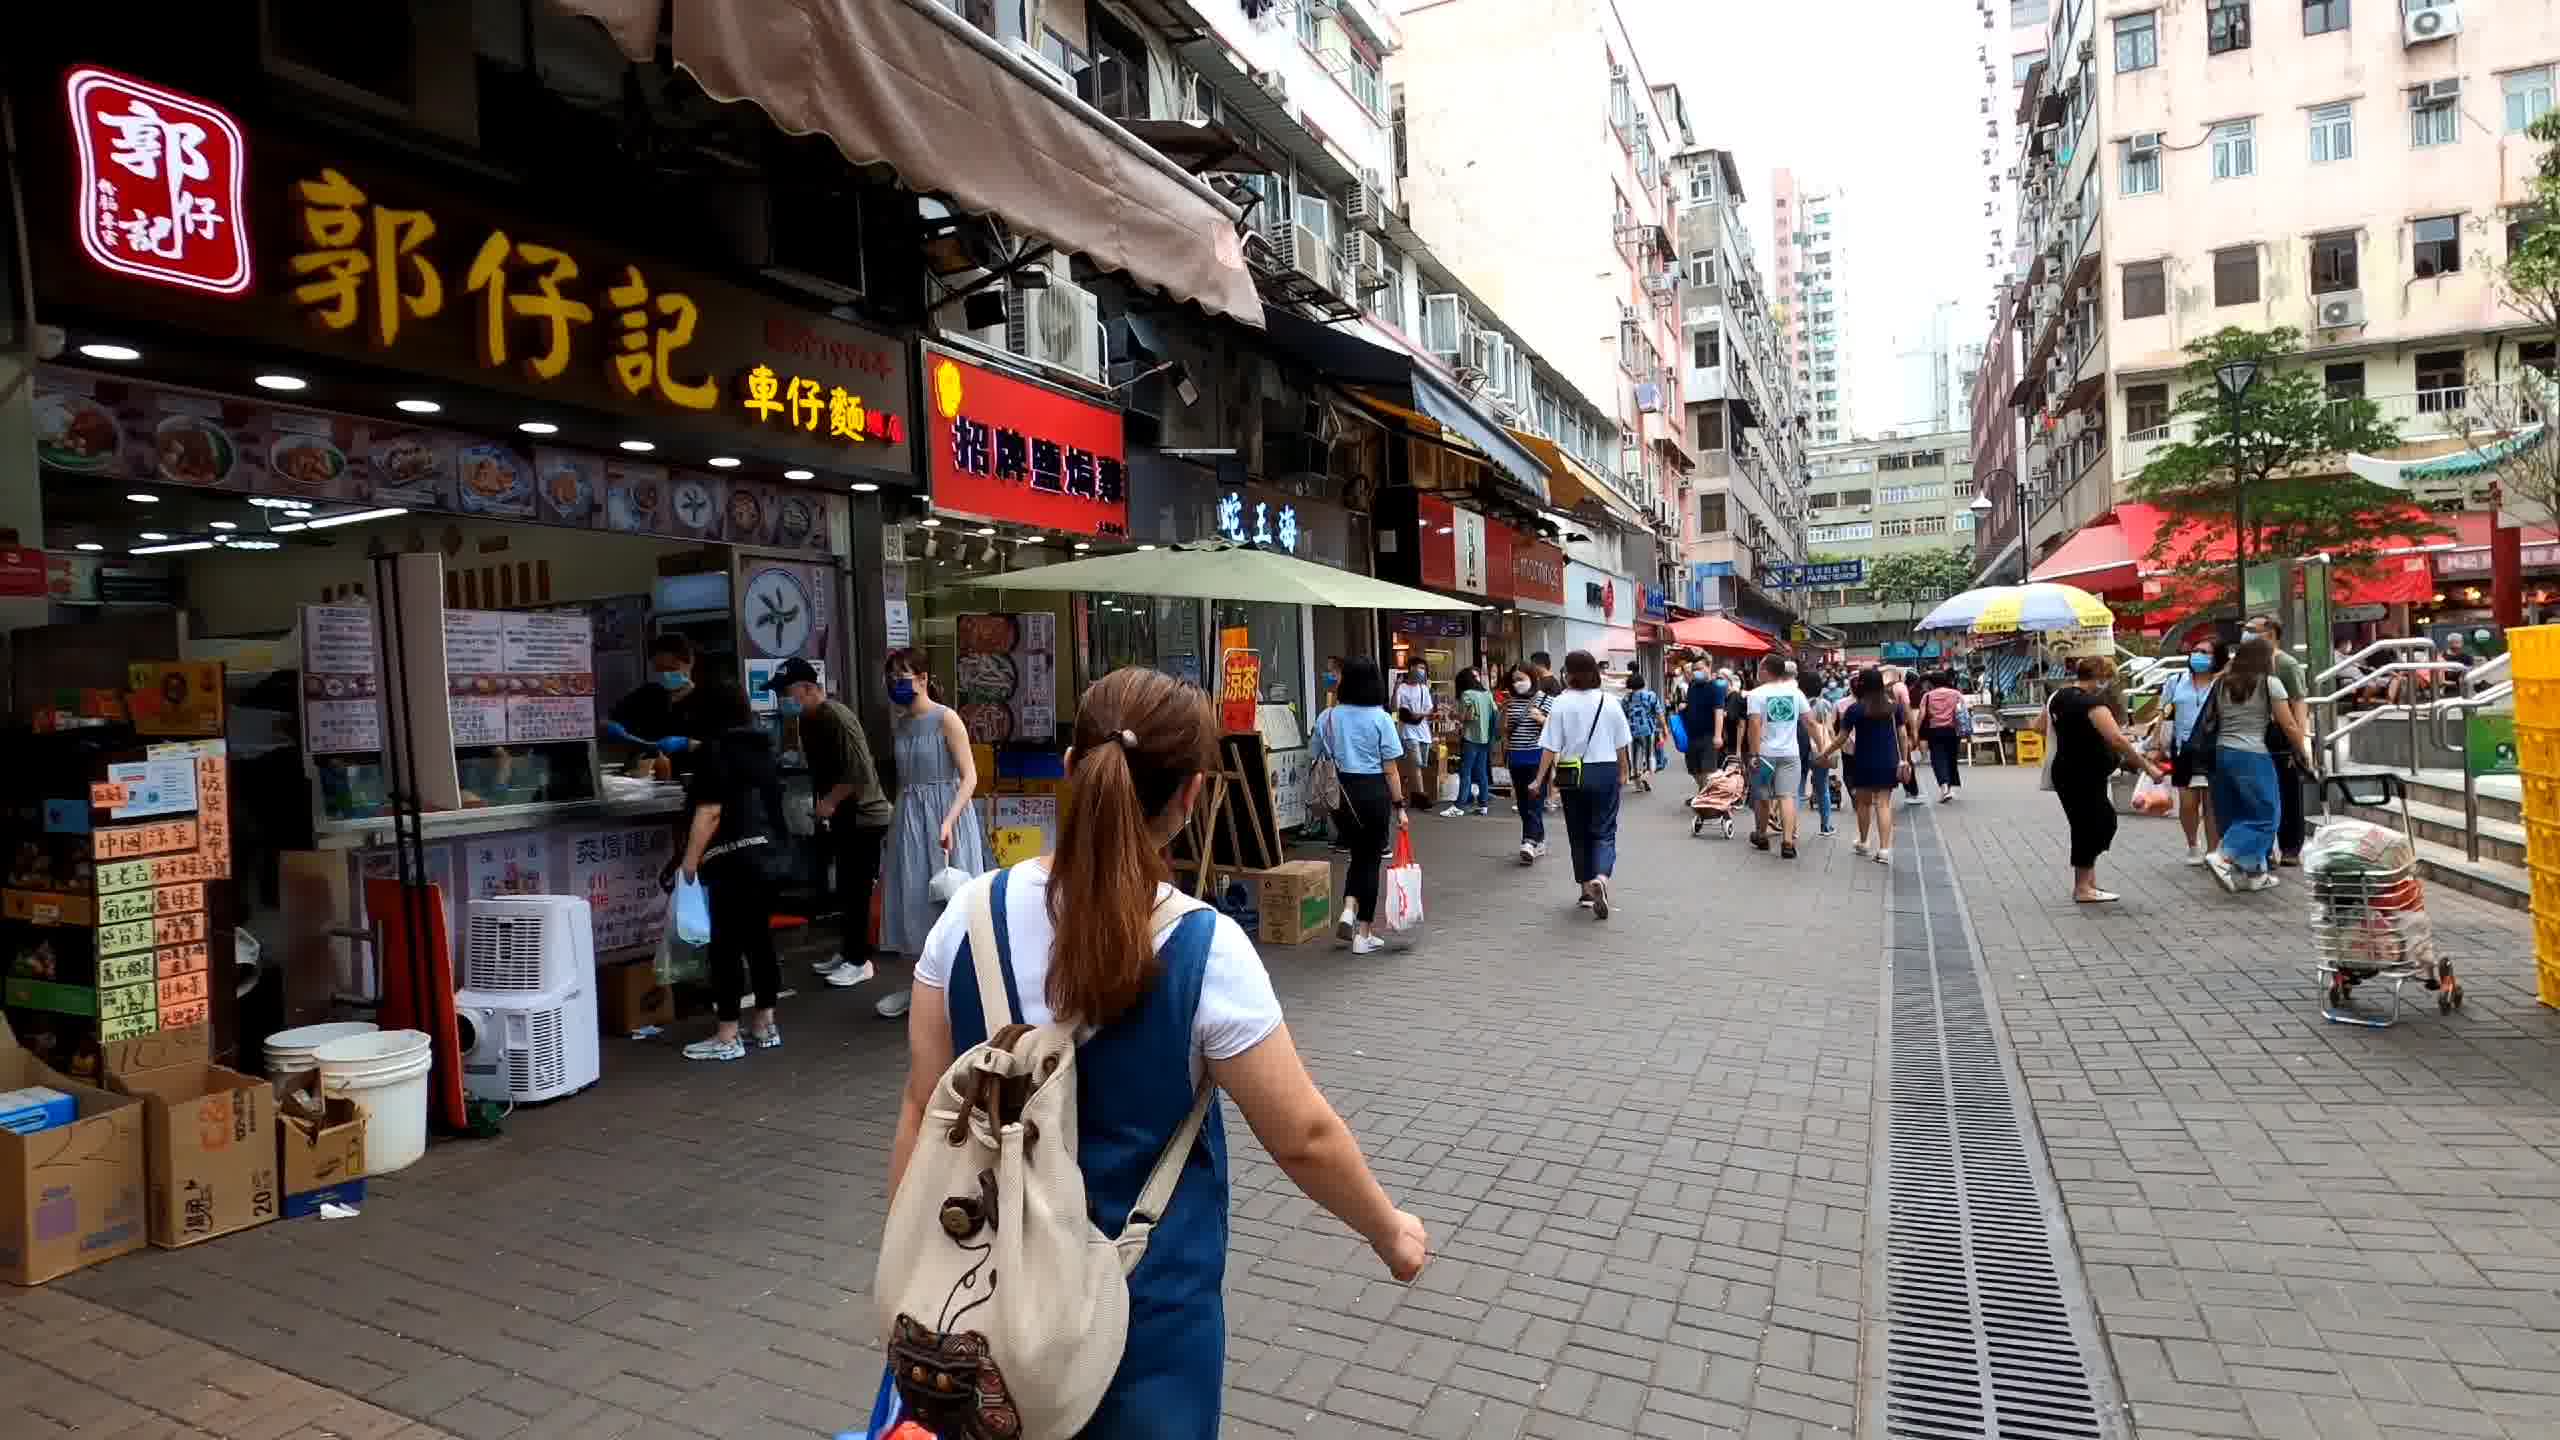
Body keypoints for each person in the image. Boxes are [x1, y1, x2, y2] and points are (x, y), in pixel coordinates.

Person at [892, 668, 1428, 1437]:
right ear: (1193, 795)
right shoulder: (1206, 948)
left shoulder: (967, 918)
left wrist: (917, 1263)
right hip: (1143, 1314)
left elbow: (923, 1105)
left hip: (980, 1306)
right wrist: (1388, 1229)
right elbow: (1302, 1136)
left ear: (1072, 770)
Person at [875, 649, 990, 1020]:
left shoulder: (947, 718)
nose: (896, 684)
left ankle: (961, 988)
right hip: (909, 817)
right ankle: (921, 987)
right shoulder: (901, 723)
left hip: (947, 816)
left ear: (923, 678)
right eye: (891, 678)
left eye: (903, 676)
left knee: (950, 900)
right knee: (912, 899)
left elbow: (970, 776)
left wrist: (949, 820)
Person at [677, 686, 790, 1060]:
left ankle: (727, 1035)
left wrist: (689, 861)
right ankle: (764, 1023)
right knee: (760, 941)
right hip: (766, 859)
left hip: (731, 862)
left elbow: (710, 811)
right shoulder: (762, 748)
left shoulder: (716, 751)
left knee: (725, 948)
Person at [766, 659, 893, 990]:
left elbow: (857, 773)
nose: (783, 699)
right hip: (841, 815)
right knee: (846, 888)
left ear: (808, 688)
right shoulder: (807, 720)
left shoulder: (834, 716)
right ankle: (848, 951)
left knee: (856, 888)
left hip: (864, 815)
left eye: (787, 692)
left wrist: (830, 803)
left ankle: (859, 960)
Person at [2041, 656, 2165, 903]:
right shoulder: (2093, 704)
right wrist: (2147, 767)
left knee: (2085, 824)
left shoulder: (2058, 697)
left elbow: (2037, 726)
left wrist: (2071, 732)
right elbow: (2117, 739)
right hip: (2085, 772)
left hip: (2066, 770)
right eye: (2108, 678)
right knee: (2099, 824)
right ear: (2101, 678)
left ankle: (2088, 883)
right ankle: (2083, 888)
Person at [2207, 636, 2318, 894]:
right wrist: (2302, 751)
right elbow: (2289, 724)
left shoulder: (2221, 682)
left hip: (2221, 753)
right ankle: (2224, 855)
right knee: (2267, 815)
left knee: (2240, 812)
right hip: (2252, 754)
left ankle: (2254, 873)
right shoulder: (2270, 683)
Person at [1313, 658, 1408, 952]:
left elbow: (1315, 755)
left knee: (1358, 854)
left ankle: (1348, 909)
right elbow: (1390, 768)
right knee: (1370, 859)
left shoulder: (1327, 717)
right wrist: (1400, 806)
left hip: (1339, 794)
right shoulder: (1380, 718)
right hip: (1372, 791)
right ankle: (1363, 933)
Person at [1531, 651, 1633, 918]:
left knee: (1578, 833)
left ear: (1570, 674)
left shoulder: (1561, 703)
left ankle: (1587, 889)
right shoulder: (1609, 702)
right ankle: (1601, 877)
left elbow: (1550, 746)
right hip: (1604, 771)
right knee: (1604, 830)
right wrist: (1624, 770)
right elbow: (1622, 742)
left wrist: (1539, 779)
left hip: (1571, 775)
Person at [1820, 667, 1910, 864]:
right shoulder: (1894, 708)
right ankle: (1885, 850)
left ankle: (1863, 842)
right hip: (1889, 760)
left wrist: (1825, 753)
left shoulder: (1855, 709)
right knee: (1884, 804)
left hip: (1862, 760)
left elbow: (1842, 738)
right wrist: (1903, 758)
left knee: (1864, 803)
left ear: (1862, 685)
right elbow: (1903, 736)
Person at [2244, 615, 2312, 866]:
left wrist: (2299, 740)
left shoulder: (2286, 664)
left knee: (2287, 791)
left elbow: (2298, 702)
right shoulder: (2247, 662)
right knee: (2260, 793)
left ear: (2270, 633)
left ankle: (2290, 847)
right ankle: (2264, 848)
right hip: (2252, 734)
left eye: (2252, 630)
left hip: (2280, 733)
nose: (2247, 634)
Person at [2153, 639, 2228, 866]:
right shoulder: (2175, 681)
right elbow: (2164, 714)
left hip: (2214, 748)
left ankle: (2213, 850)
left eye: (2205, 652)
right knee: (2187, 803)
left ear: (2217, 657)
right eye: (2195, 650)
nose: (2198, 655)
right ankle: (2193, 845)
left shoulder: (2223, 683)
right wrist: (2157, 744)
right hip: (2183, 748)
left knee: (2212, 804)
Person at [604, 634, 725, 773]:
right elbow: (610, 723)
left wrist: (689, 744)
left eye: (671, 668)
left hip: (697, 777)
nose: (666, 674)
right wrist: (613, 728)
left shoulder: (712, 699)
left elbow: (725, 747)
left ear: (690, 662)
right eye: (660, 669)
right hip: (651, 779)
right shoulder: (645, 696)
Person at [1744, 653, 1809, 859]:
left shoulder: (1756, 694)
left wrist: (1753, 753)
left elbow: (1754, 725)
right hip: (1791, 753)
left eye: (1760, 667)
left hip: (1764, 754)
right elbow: (1811, 722)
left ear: (1765, 670)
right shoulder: (1796, 693)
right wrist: (1823, 745)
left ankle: (1762, 836)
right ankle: (1788, 843)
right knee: (1787, 797)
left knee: (1762, 796)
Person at [1498, 665, 1553, 862]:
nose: (1517, 684)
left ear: (1532, 677)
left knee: (1534, 801)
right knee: (1522, 804)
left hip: (1537, 758)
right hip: (1516, 758)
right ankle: (1538, 840)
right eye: (1513, 680)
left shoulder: (1545, 700)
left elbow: (1556, 729)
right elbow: (1503, 732)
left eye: (1520, 678)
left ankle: (1528, 841)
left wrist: (1541, 719)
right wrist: (1503, 712)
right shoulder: (1511, 703)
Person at [1443, 667, 1497, 817]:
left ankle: (1459, 805)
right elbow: (1494, 712)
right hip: (1485, 739)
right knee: (1481, 772)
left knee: (1465, 772)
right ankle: (1483, 804)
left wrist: (1453, 715)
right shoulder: (1487, 694)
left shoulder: (1466, 694)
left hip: (1471, 737)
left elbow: (1464, 716)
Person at [1797, 668, 1838, 837]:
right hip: (1819, 749)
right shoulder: (1824, 704)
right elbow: (1829, 728)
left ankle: (1793, 827)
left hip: (1800, 747)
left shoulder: (1797, 702)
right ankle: (1825, 826)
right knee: (1822, 788)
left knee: (1797, 790)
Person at [1391, 659, 1435, 812]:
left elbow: (1430, 708)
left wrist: (1420, 714)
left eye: (1424, 668)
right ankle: (1421, 797)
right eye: (1419, 667)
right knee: (1416, 763)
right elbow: (1395, 708)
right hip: (1408, 731)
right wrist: (1396, 688)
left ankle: (1407, 793)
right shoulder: (1402, 688)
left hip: (1423, 731)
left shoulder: (1423, 688)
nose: (1422, 670)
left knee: (1418, 765)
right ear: (1411, 668)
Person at [1918, 668, 1966, 803]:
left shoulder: (1927, 696)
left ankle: (1944, 787)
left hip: (1935, 731)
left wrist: (1915, 732)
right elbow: (1963, 712)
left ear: (1932, 683)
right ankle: (1949, 789)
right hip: (1953, 731)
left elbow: (1921, 716)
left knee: (1938, 759)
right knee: (1951, 759)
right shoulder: (1956, 694)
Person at [1622, 670, 1664, 794]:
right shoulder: (1651, 696)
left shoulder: (1626, 698)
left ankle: (1638, 782)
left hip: (1631, 731)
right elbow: (1659, 712)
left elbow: (1623, 715)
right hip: (1648, 730)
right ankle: (1645, 775)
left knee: (1634, 756)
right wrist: (1664, 728)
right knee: (1649, 755)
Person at [1683, 664, 1724, 783]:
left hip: (1708, 735)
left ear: (1708, 667)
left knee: (1708, 771)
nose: (1697, 672)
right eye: (1694, 669)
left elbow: (1719, 711)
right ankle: (1702, 793)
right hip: (1692, 734)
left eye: (1700, 669)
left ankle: (1705, 798)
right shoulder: (1692, 685)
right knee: (1694, 770)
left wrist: (1717, 735)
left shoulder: (1716, 686)